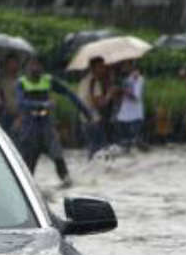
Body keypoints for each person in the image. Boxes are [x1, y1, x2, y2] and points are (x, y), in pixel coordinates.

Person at [16, 57, 94, 187]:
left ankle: (68, 187)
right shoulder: (22, 83)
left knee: (59, 159)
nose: (35, 68)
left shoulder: (48, 80)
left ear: (42, 67)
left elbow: (69, 94)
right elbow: (21, 103)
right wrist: (43, 104)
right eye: (32, 65)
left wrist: (86, 112)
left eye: (38, 64)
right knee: (28, 167)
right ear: (27, 68)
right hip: (30, 129)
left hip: (46, 127)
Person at [80, 56, 116, 158]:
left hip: (85, 120)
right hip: (94, 120)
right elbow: (99, 103)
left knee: (93, 151)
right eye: (100, 67)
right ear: (93, 68)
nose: (103, 69)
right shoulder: (94, 82)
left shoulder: (85, 80)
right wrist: (109, 94)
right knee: (101, 152)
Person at [114, 60, 146, 150]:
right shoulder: (125, 79)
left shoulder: (139, 79)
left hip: (135, 116)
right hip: (124, 116)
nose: (123, 67)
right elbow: (119, 98)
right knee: (125, 143)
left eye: (125, 65)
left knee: (136, 142)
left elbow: (135, 97)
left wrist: (123, 91)